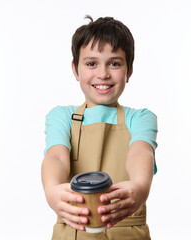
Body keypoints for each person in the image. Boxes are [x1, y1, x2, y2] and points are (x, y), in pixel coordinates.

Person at [41, 15, 158, 239]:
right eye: (91, 63)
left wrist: (140, 187)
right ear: (75, 70)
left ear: (129, 71)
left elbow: (141, 153)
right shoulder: (61, 116)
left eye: (114, 63)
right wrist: (52, 190)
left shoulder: (141, 118)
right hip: (73, 231)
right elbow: (55, 157)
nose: (103, 73)